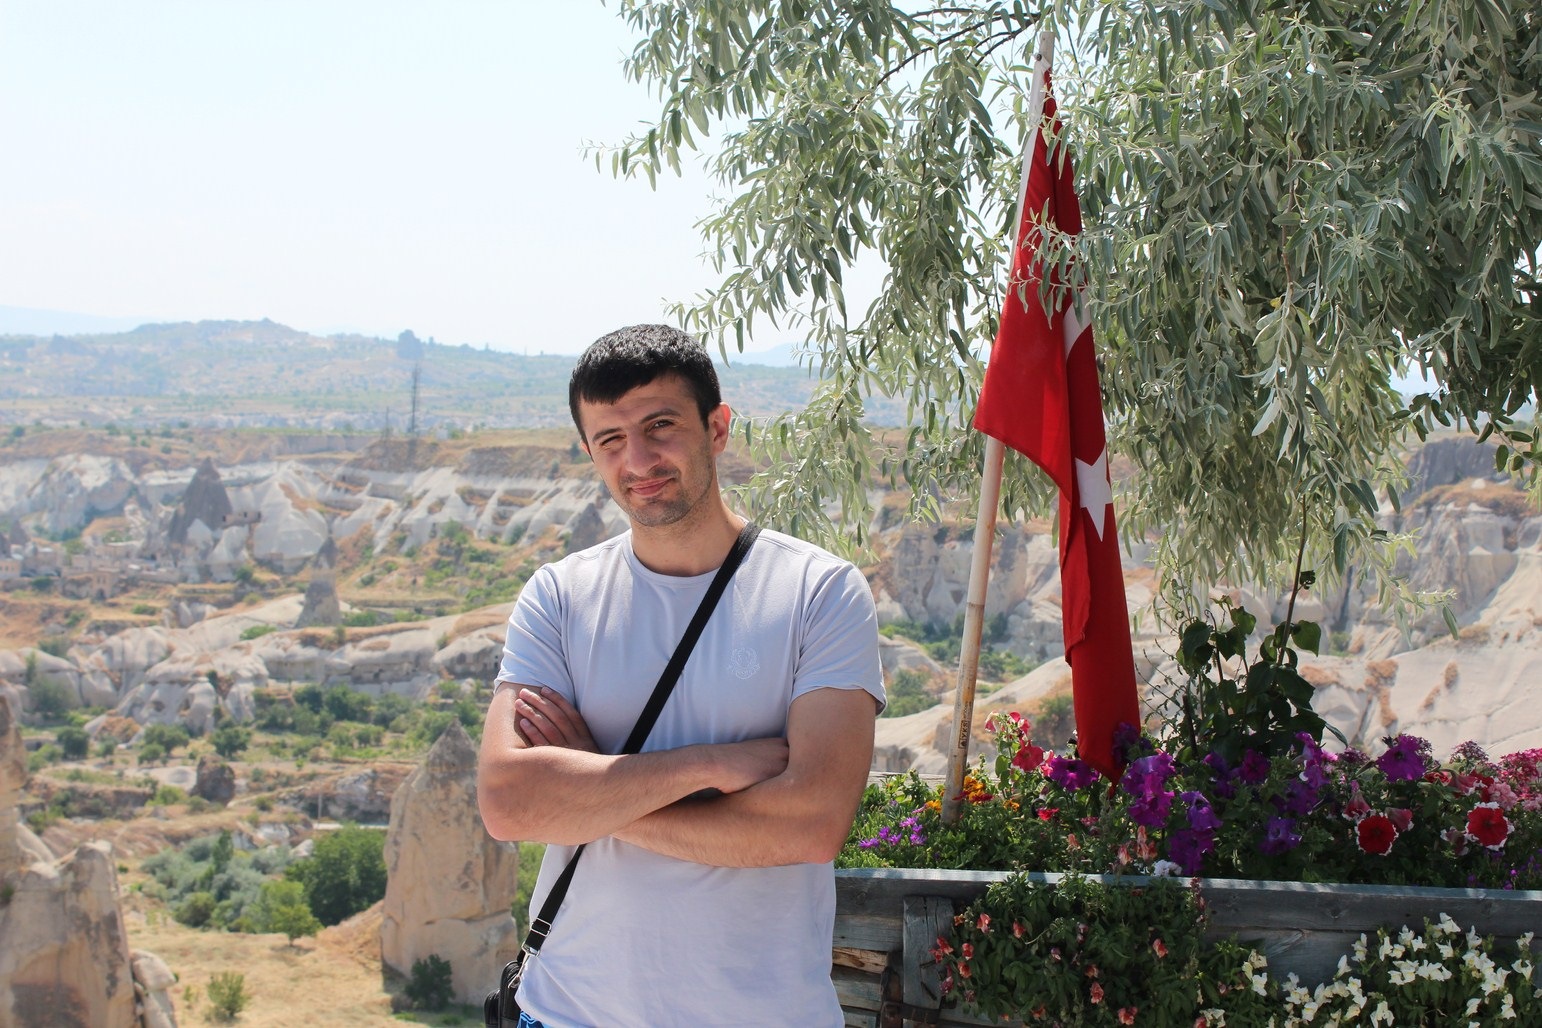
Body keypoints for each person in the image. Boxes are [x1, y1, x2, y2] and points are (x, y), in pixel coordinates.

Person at [477, 324, 885, 1026]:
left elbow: (811, 824)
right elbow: (510, 803)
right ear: (590, 453)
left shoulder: (818, 592)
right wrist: (711, 766)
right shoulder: (559, 596)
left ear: (717, 428)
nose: (637, 459)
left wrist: (592, 787)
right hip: (568, 1013)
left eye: (659, 426)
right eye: (610, 439)